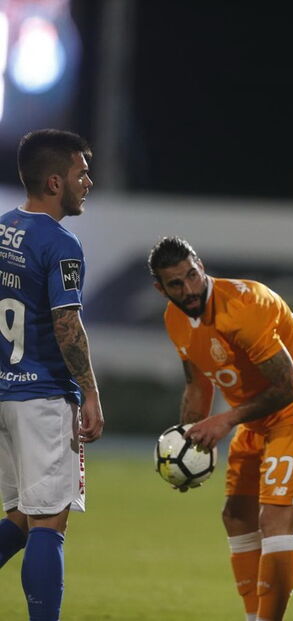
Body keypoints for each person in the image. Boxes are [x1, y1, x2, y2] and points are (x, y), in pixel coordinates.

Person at [148, 237, 293, 621]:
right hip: (254, 415)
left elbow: (290, 386)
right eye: (176, 284)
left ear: (201, 265)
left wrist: (226, 420)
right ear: (160, 289)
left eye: (192, 276)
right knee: (236, 515)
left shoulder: (244, 306)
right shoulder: (175, 319)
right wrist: (188, 447)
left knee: (274, 518)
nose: (189, 290)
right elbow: (198, 384)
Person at [0, 129, 105, 620]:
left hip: (3, 393)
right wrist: (90, 392)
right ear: (55, 180)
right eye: (82, 173)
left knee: (20, 518)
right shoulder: (61, 243)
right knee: (48, 523)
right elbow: (67, 326)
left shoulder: (1, 230)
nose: (90, 181)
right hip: (40, 397)